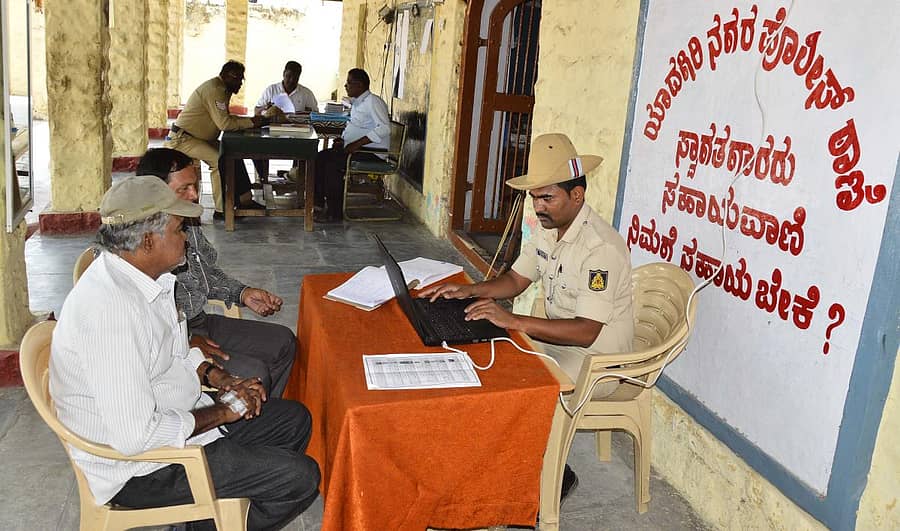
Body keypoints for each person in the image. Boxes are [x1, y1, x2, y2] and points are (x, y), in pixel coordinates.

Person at [50, 176, 320, 531]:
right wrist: (223, 412)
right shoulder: (109, 312)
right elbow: (137, 436)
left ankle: (203, 522)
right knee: (300, 477)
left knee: (294, 419)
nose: (186, 238)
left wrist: (221, 379)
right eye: (179, 229)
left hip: (177, 419)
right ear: (148, 240)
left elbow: (177, 353)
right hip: (142, 467)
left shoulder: (151, 280)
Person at [419, 133, 634, 502]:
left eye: (547, 197)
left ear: (577, 195)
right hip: (556, 342)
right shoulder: (549, 231)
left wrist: (515, 322)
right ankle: (499, 468)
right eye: (534, 197)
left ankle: (551, 479)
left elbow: (586, 332)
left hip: (597, 361)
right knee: (483, 364)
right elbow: (517, 280)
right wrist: (469, 290)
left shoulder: (601, 250)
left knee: (510, 384)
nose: (538, 206)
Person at [137, 148, 296, 399]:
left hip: (199, 320)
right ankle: (229, 419)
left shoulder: (188, 220)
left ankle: (263, 417)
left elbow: (206, 272)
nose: (195, 195)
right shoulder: (140, 243)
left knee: (284, 341)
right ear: (153, 191)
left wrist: (243, 294)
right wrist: (186, 341)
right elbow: (142, 323)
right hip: (172, 337)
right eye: (184, 189)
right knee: (255, 373)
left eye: (196, 186)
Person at [165, 60, 268, 218]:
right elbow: (224, 123)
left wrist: (249, 121)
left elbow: (223, 118)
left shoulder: (223, 90)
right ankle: (222, 210)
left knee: (232, 152)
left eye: (241, 79)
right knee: (217, 160)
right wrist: (252, 122)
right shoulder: (215, 89)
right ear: (227, 76)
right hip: (183, 139)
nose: (240, 83)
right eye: (238, 78)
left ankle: (245, 200)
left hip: (200, 139)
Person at [314, 68, 391, 222]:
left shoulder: (373, 102)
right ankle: (318, 204)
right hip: (357, 148)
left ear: (360, 85)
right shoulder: (357, 103)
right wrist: (343, 140)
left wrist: (356, 144)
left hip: (372, 153)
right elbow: (358, 126)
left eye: (349, 83)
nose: (345, 85)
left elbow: (384, 128)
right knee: (319, 158)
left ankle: (334, 213)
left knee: (333, 165)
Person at [252, 61, 318, 180]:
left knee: (306, 146)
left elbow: (315, 115)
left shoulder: (306, 93)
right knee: (256, 146)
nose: (291, 80)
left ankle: (295, 175)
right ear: (283, 74)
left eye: (295, 77)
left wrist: (305, 114)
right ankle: (263, 177)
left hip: (296, 131)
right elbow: (256, 111)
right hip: (272, 129)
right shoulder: (271, 90)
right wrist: (265, 108)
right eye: (289, 76)